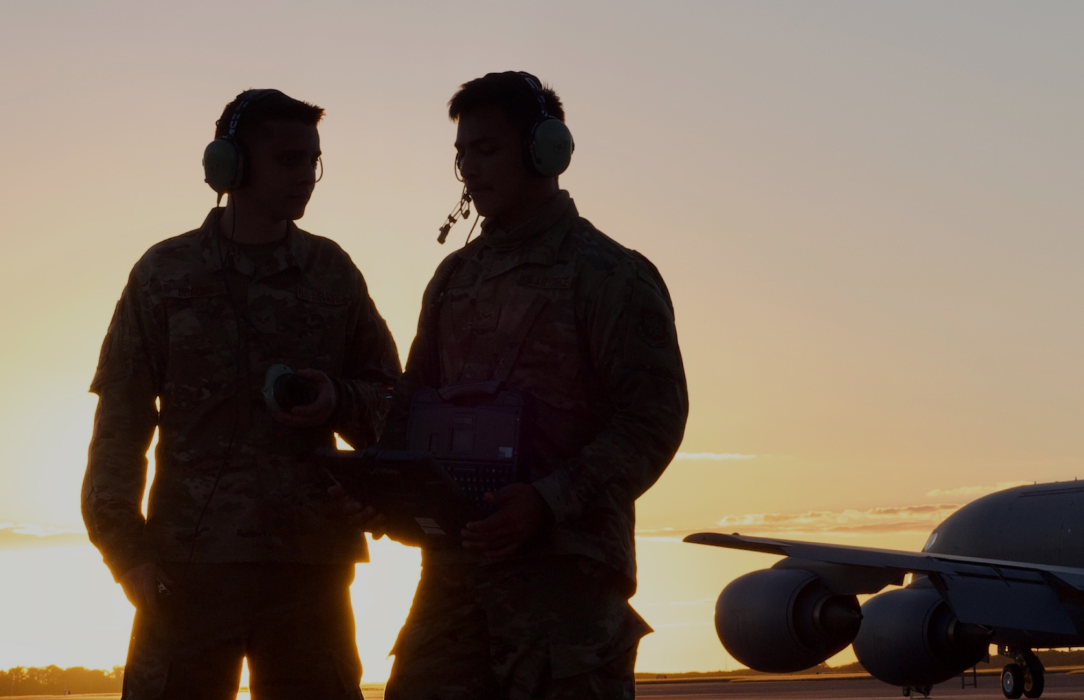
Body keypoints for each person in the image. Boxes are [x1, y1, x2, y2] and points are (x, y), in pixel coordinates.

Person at [375, 72, 689, 699]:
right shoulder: (454, 279)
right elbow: (414, 404)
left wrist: (546, 499)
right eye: (461, 152)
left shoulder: (610, 275)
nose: (468, 168)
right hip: (455, 582)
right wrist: (385, 487)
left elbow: (652, 422)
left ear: (546, 149)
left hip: (564, 594)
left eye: (486, 149)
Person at [83, 88, 401, 700]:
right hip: (186, 575)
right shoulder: (165, 276)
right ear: (230, 165)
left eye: (313, 161)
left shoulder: (332, 274)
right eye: (288, 160)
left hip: (310, 575)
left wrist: (338, 399)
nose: (306, 177)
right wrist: (130, 558)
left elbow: (395, 408)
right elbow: (119, 429)